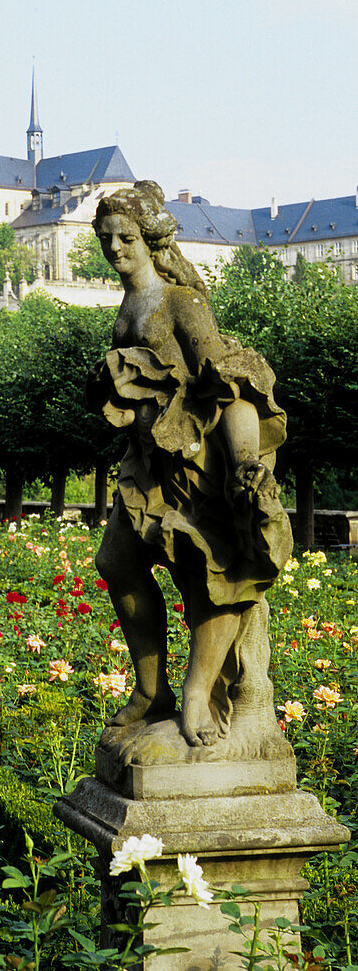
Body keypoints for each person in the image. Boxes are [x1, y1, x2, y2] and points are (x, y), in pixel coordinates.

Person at [89, 181, 291, 748]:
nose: (115, 249)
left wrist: (247, 462)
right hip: (149, 461)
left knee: (215, 576)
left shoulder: (182, 303)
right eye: (106, 239)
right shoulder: (129, 306)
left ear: (151, 240)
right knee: (118, 563)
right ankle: (152, 691)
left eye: (125, 238)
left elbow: (230, 383)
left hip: (198, 460)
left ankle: (198, 694)